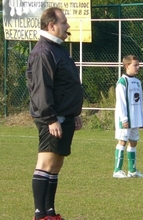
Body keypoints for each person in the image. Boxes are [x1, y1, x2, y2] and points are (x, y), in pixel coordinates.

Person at [26, 7, 83, 220]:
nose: (67, 26)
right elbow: (42, 89)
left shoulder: (58, 49)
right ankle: (41, 214)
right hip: (52, 118)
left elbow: (66, 85)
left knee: (56, 164)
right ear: (52, 26)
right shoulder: (43, 52)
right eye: (64, 22)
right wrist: (50, 118)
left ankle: (50, 211)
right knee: (46, 163)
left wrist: (74, 113)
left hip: (64, 116)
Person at [113, 55, 143, 178]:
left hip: (135, 119)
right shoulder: (122, 82)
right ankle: (117, 170)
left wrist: (142, 119)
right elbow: (121, 102)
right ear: (127, 66)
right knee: (122, 141)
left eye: (138, 65)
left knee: (133, 143)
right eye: (135, 65)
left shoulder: (137, 82)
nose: (138, 67)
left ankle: (132, 171)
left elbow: (140, 103)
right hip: (125, 119)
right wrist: (124, 119)